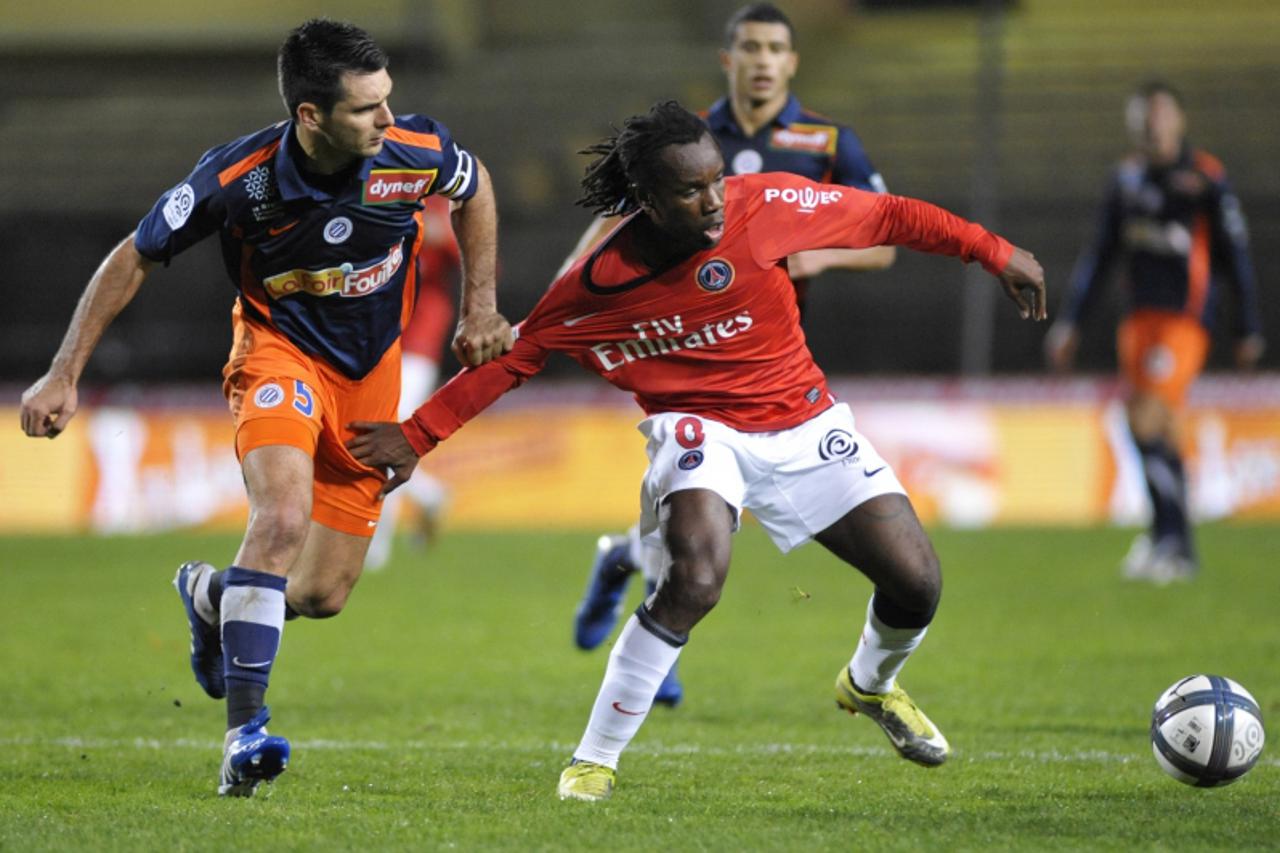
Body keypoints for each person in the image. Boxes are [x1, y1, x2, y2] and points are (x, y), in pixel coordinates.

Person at [346, 101, 1046, 801]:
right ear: (646, 201)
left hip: (804, 421)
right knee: (697, 579)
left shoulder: (765, 203)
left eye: (715, 179)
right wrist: (416, 436)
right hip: (698, 428)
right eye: (690, 189)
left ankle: (870, 685)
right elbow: (513, 360)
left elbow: (891, 217)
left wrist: (994, 251)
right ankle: (593, 760)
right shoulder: (596, 285)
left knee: (917, 583)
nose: (714, 199)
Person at [18, 18, 511, 797]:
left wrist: (479, 306)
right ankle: (244, 737)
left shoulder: (413, 152)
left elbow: (476, 186)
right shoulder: (237, 178)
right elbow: (135, 254)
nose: (388, 121)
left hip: (371, 377)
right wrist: (62, 372)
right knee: (279, 518)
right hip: (278, 353)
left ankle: (211, 592)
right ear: (309, 116)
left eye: (389, 102)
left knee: (319, 594)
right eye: (366, 110)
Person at [571, 2, 896, 707]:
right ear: (729, 58)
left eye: (775, 47)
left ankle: (622, 558)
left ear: (792, 61)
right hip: (685, 354)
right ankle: (659, 649)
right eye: (749, 46)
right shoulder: (691, 138)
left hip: (770, 357)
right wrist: (569, 299)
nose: (762, 59)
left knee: (712, 516)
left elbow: (884, 240)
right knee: (699, 514)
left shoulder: (828, 141)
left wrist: (814, 258)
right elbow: (610, 224)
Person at [1045, 80, 1264, 584]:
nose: (1153, 124)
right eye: (1144, 116)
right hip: (1138, 322)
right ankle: (1173, 541)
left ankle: (1170, 540)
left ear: (1179, 120)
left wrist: (1246, 326)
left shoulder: (1205, 179)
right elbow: (1099, 256)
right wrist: (1071, 322)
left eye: (1161, 114)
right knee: (1151, 424)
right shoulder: (1125, 181)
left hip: (1184, 319)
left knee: (1147, 418)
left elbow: (1234, 255)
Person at [363, 194, 461, 571]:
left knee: (385, 438)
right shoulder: (373, 196)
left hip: (419, 343)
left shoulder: (438, 201)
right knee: (370, 437)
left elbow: (474, 257)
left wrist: (437, 232)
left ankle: (374, 548)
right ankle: (430, 495)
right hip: (378, 340)